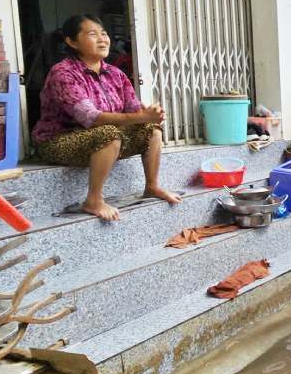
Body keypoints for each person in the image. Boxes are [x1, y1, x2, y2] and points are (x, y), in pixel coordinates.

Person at [32, 14, 182, 221]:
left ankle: (152, 186)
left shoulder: (115, 74)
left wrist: (150, 116)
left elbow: (134, 110)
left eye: (103, 33)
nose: (102, 39)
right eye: (92, 34)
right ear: (72, 41)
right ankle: (93, 200)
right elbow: (91, 118)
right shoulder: (63, 73)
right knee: (108, 133)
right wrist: (137, 116)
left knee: (151, 129)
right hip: (57, 141)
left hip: (100, 141)